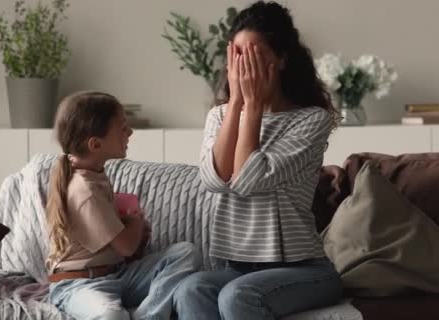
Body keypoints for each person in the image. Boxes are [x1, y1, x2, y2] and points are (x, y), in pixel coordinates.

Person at [173, 2, 343, 319]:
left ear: (282, 59)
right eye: (239, 58)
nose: (246, 70)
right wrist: (237, 102)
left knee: (239, 297)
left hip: (302, 269)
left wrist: (251, 106)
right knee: (190, 290)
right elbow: (214, 180)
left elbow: (248, 181)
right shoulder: (219, 116)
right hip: (237, 267)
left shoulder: (310, 120)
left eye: (255, 58)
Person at [45, 91, 202, 320]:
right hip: (79, 285)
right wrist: (134, 222)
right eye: (122, 127)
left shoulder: (96, 176)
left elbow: (124, 252)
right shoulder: (84, 189)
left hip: (118, 275)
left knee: (186, 253)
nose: (129, 132)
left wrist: (134, 231)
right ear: (95, 144)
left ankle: (147, 315)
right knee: (112, 315)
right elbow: (126, 247)